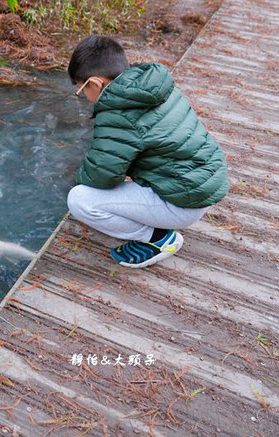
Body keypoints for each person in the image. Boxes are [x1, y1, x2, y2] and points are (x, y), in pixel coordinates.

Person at [66, 35, 229, 268]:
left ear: (94, 83)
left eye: (82, 91)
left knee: (80, 199)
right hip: (199, 185)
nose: (84, 98)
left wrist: (77, 179)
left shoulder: (118, 111)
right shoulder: (150, 86)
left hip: (183, 202)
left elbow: (102, 176)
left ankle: (159, 239)